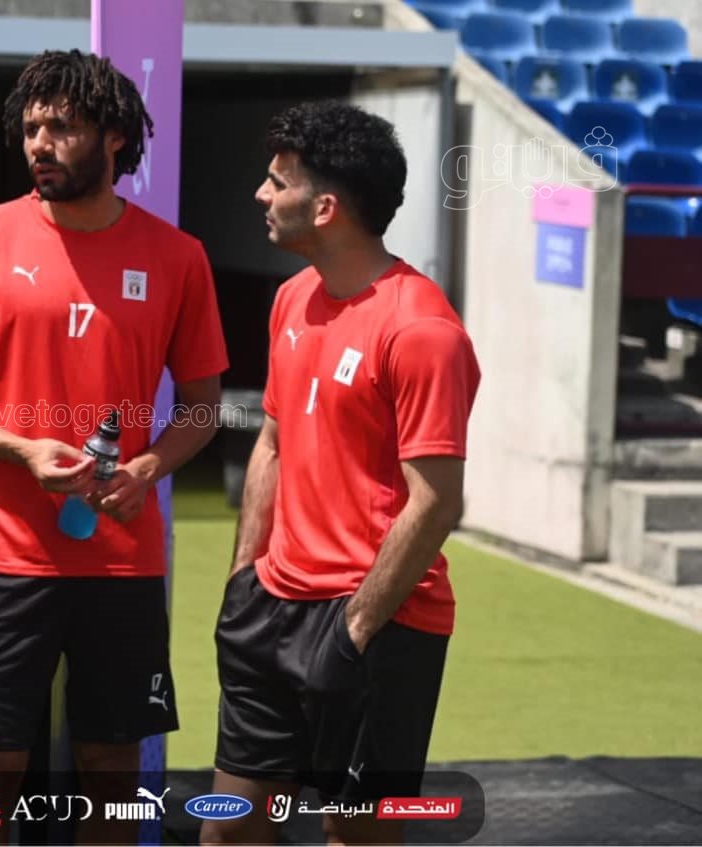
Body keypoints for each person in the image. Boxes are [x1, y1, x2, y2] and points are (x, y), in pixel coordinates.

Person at [0, 49, 229, 844]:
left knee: (112, 774)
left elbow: (201, 408)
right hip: (2, 560)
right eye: (30, 129)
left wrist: (148, 467)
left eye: (60, 127)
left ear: (115, 136)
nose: (39, 144)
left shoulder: (179, 257)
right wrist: (22, 450)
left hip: (122, 564)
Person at [201, 101, 481, 846]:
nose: (261, 194)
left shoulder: (423, 331)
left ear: (325, 208)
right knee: (228, 830)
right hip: (271, 607)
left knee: (354, 836)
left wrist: (354, 630)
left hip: (378, 622)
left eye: (277, 181)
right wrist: (243, 579)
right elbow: (272, 442)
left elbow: (436, 502)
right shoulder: (291, 298)